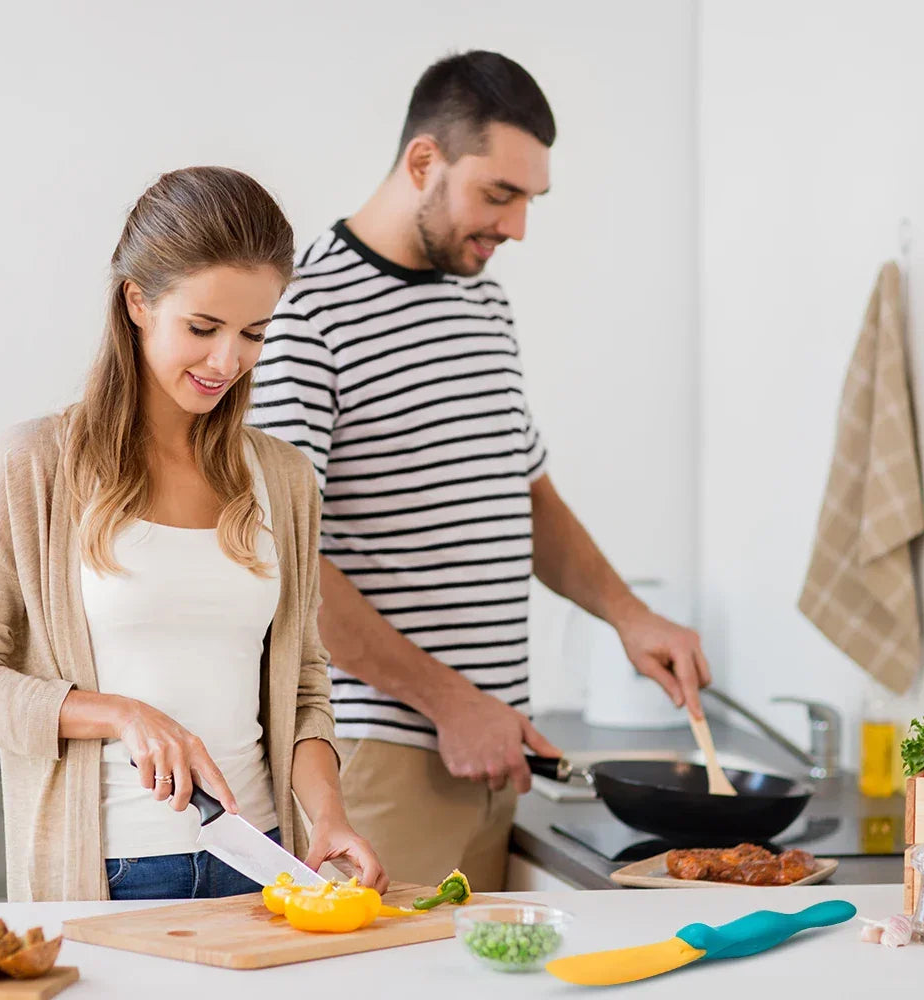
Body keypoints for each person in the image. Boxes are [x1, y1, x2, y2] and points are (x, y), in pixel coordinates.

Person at [249, 51, 711, 891]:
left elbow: (523, 496)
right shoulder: (302, 314)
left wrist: (629, 617)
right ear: (423, 161)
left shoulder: (482, 302)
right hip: (382, 757)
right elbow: (286, 566)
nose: (517, 228)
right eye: (499, 195)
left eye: (530, 200)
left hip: (491, 748)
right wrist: (449, 704)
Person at [0, 166, 386, 902]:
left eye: (253, 333)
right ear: (137, 302)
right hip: (106, 873)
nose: (227, 361)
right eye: (202, 328)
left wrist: (326, 812)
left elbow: (301, 685)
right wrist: (119, 714)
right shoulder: (33, 467)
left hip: (260, 865)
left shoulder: (285, 480)